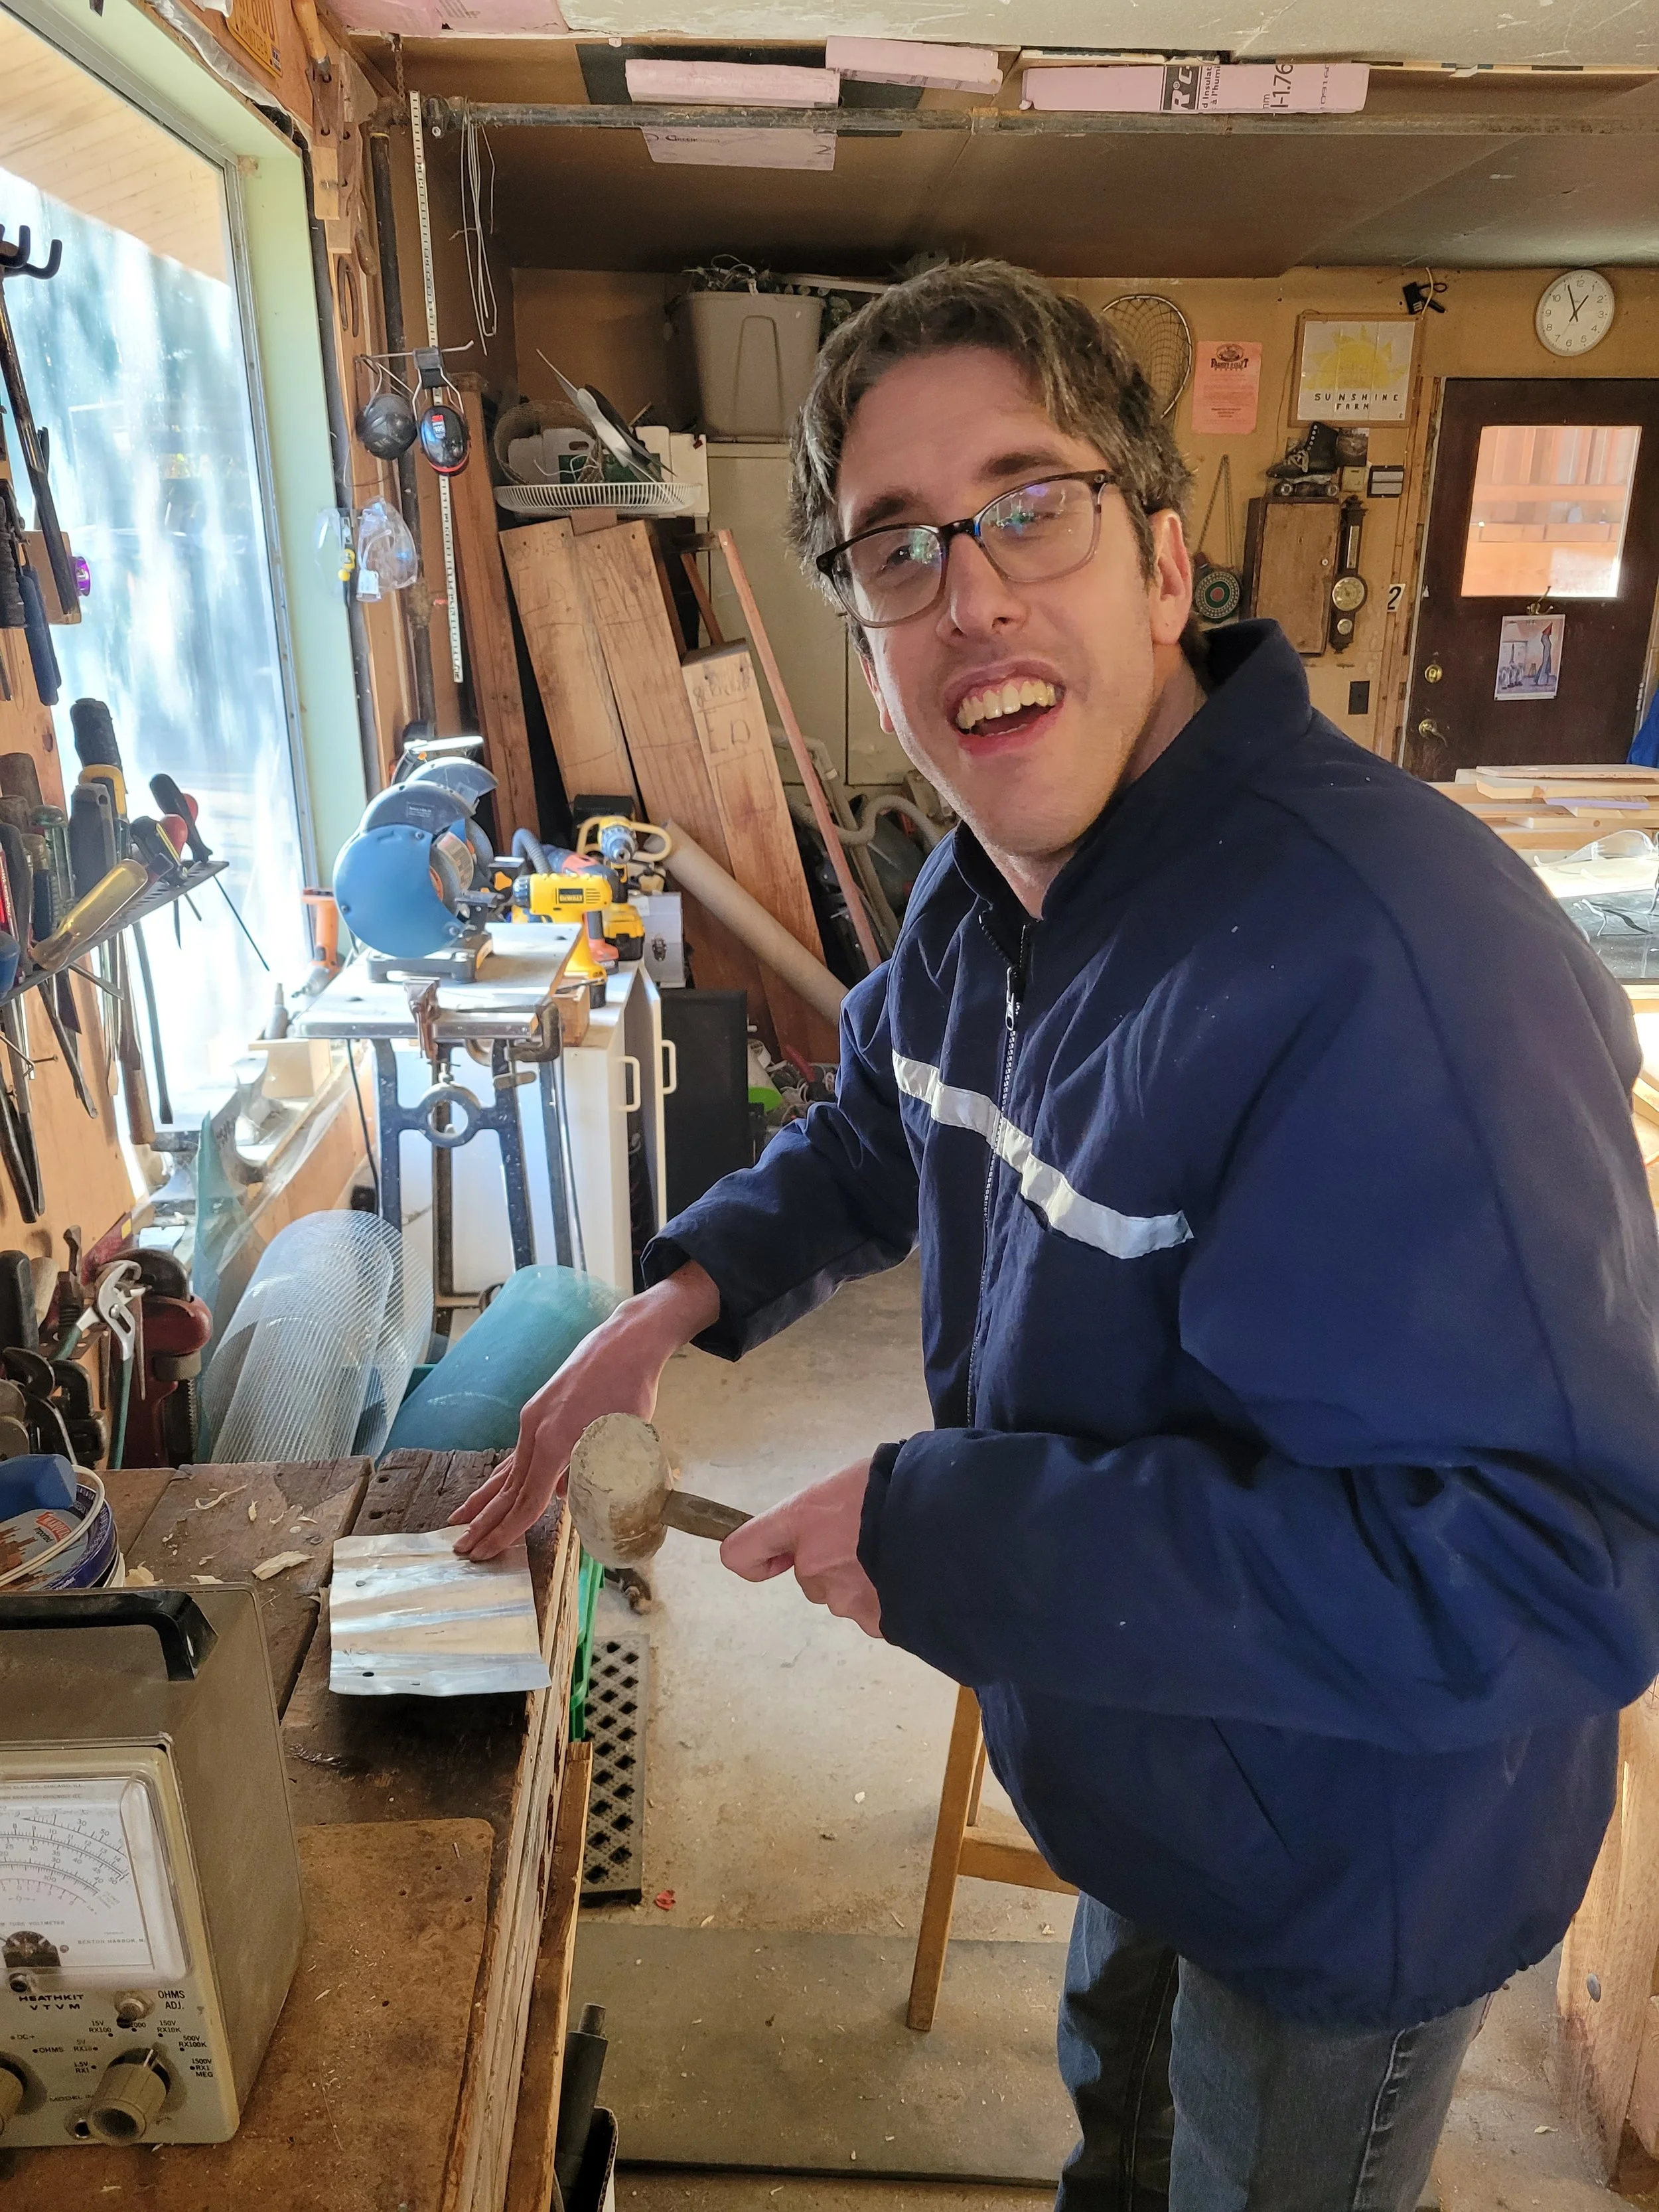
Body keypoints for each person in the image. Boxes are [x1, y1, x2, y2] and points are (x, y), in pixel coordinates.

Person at [453, 261, 1659, 2209]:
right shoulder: (988, 891)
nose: (975, 591)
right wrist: (671, 1296)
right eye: (898, 549)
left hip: (1353, 1859)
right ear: (859, 633)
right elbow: (875, 1121)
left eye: (1031, 505)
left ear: (1162, 566)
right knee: (1120, 2123)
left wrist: (946, 1528)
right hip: (1150, 1765)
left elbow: (1554, 1572)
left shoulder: (1398, 966)